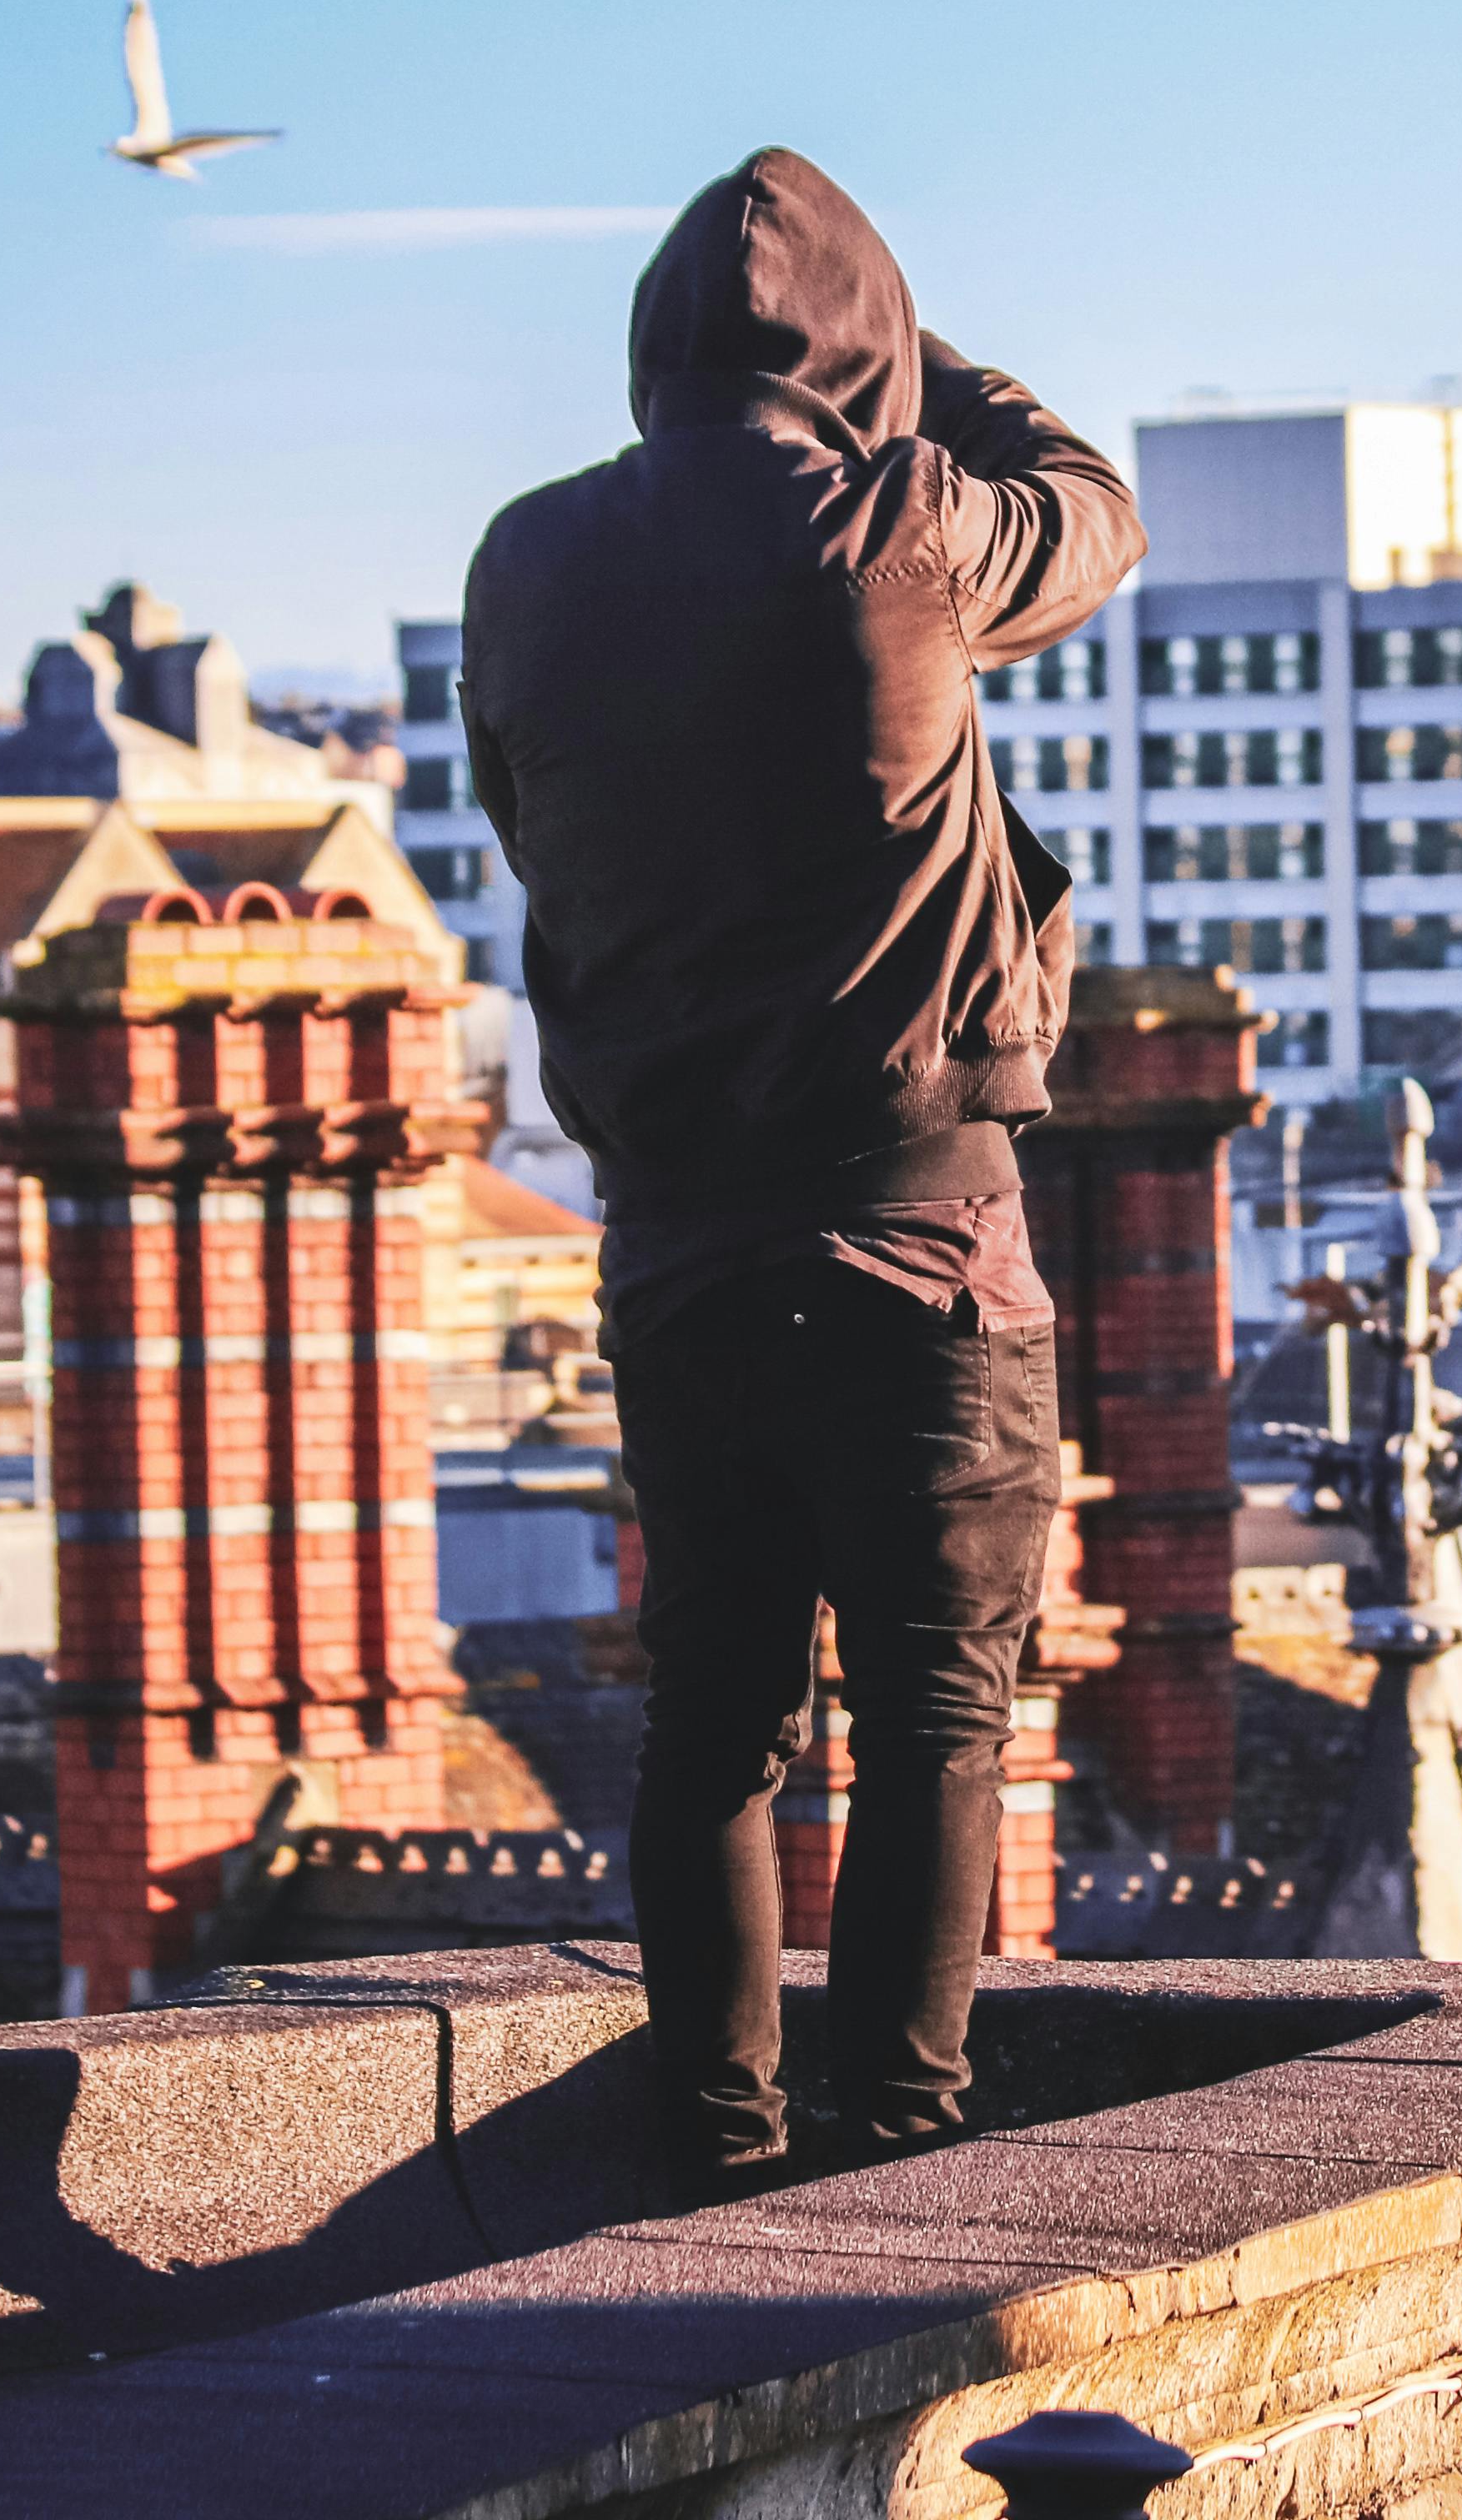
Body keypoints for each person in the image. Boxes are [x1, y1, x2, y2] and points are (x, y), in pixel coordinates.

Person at [463, 148, 1140, 2184]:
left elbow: (520, 813)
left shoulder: (528, 557)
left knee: (717, 1718)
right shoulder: (900, 515)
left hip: (674, 1234)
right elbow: (1100, 516)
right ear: (861, 355)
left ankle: (716, 2136)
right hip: (919, 1218)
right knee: (937, 1713)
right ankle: (900, 2141)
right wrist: (926, 375)